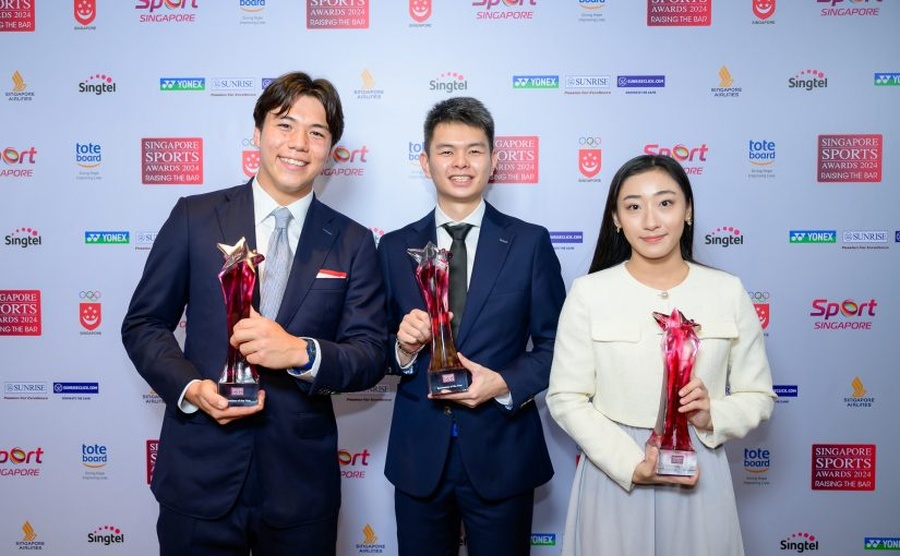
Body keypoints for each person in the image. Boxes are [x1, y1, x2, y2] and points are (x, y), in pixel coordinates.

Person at [121, 71, 387, 556]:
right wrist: (190, 387)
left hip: (300, 487)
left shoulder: (352, 241)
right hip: (199, 473)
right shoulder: (194, 217)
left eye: (317, 133)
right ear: (259, 132)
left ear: (331, 150)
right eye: (285, 124)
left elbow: (370, 353)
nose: (299, 144)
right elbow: (143, 323)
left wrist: (302, 353)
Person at [546, 154, 776, 555]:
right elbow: (565, 398)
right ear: (617, 219)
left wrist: (711, 416)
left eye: (665, 203)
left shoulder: (727, 291)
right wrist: (631, 463)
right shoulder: (589, 293)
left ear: (687, 210)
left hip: (699, 468)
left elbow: (758, 396)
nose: (651, 221)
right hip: (615, 473)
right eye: (633, 207)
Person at [376, 96, 567, 556]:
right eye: (446, 151)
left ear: (493, 161)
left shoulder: (529, 243)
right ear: (425, 162)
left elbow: (558, 344)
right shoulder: (393, 247)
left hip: (503, 451)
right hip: (419, 455)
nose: (460, 163)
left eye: (474, 150)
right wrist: (401, 347)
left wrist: (503, 383)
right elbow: (369, 345)